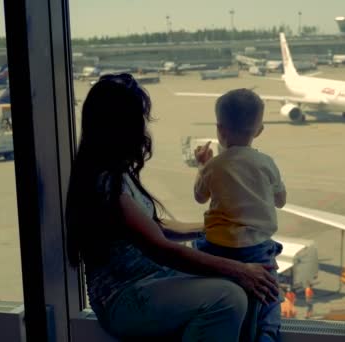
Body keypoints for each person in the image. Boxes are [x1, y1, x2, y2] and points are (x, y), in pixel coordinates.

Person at [65, 74, 278, 342]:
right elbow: (161, 249)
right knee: (228, 297)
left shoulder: (115, 173)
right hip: (125, 299)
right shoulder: (105, 185)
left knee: (237, 287)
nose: (143, 130)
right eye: (137, 120)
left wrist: (219, 228)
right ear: (119, 128)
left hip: (150, 282)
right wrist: (239, 269)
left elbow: (152, 227)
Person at [191, 88, 288, 341]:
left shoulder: (214, 166)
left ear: (219, 130)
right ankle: (266, 335)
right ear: (259, 131)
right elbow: (281, 201)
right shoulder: (266, 163)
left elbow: (200, 197)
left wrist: (203, 166)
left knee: (214, 292)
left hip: (218, 248)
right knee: (268, 298)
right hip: (256, 248)